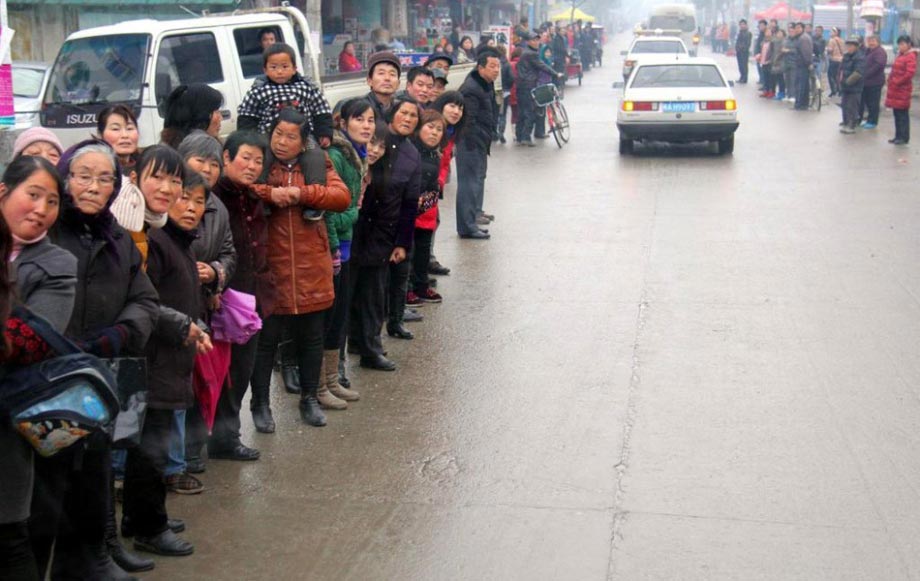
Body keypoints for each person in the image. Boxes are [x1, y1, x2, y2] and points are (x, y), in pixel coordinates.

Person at [38, 140, 158, 577]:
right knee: (50, 479)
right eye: (83, 175)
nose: (93, 186)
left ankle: (93, 555)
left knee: (96, 465)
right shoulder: (45, 232)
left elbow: (144, 298)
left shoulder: (118, 239)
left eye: (104, 178)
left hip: (102, 373)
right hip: (47, 377)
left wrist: (118, 334)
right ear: (65, 180)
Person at [248, 108, 350, 427]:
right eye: (278, 133)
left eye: (291, 136)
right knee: (266, 341)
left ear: (302, 140)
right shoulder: (262, 161)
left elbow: (341, 197)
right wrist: (270, 193)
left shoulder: (317, 162)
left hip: (311, 266)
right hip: (272, 266)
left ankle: (309, 399)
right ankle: (260, 404)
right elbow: (242, 186)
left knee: (311, 338)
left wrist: (301, 193)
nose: (282, 142)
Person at [0, 155, 74, 581]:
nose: (42, 210)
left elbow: (30, 344)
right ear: (4, 192)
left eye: (52, 201)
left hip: (7, 425)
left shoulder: (57, 265)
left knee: (10, 541)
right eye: (34, 195)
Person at [177, 131, 244, 477]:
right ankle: (182, 455)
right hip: (175, 309)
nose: (207, 169)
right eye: (199, 160)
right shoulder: (168, 201)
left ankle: (201, 446)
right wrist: (190, 271)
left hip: (205, 306)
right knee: (181, 384)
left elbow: (229, 253)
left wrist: (215, 272)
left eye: (214, 163)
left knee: (208, 379)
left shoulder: (217, 207)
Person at [210, 131, 274, 453]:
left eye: (258, 161)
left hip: (252, 300)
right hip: (223, 299)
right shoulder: (213, 197)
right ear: (226, 158)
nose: (251, 166)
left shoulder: (252, 196)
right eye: (245, 158)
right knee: (224, 374)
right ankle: (221, 438)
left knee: (242, 370)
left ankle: (226, 436)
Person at [349, 97, 421, 370]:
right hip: (353, 232)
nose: (408, 118)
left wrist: (402, 242)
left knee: (373, 296)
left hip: (382, 234)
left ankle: (371, 348)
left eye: (413, 116)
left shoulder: (410, 154)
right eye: (403, 112)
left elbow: (409, 203)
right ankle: (351, 345)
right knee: (348, 295)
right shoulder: (363, 148)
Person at [323, 98, 373, 406]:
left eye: (370, 120)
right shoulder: (337, 156)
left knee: (340, 316)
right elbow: (332, 209)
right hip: (333, 247)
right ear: (343, 122)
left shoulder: (358, 154)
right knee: (329, 319)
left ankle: (331, 380)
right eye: (360, 120)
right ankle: (319, 385)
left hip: (345, 244)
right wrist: (353, 215)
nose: (366, 125)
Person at [237, 43, 333, 147]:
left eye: (285, 66)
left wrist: (324, 133)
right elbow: (247, 117)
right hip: (268, 140)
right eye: (273, 67)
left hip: (304, 139)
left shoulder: (307, 87)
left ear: (294, 68)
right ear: (265, 70)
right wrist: (248, 141)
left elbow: (322, 111)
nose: (279, 71)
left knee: (316, 158)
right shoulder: (259, 90)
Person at [456, 49, 500, 240]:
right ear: (480, 68)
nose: (496, 70)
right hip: (470, 143)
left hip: (479, 142)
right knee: (469, 184)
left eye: (498, 66)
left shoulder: (485, 84)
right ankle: (467, 227)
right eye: (492, 66)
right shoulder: (472, 88)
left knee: (477, 180)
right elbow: (468, 121)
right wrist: (477, 140)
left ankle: (474, 216)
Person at [409, 109, 446, 306]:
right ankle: (407, 290)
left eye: (439, 129)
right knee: (409, 253)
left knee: (423, 252)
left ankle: (421, 286)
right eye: (430, 127)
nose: (434, 132)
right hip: (409, 213)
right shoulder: (411, 151)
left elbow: (435, 188)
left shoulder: (435, 155)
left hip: (426, 214)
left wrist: (427, 203)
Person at [96, 105, 146, 234]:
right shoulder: (96, 170)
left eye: (130, 128)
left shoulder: (146, 167)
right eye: (115, 129)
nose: (125, 135)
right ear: (100, 134)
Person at [515, 33, 561, 147]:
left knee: (522, 112)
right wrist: (555, 74)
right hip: (528, 85)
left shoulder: (525, 53)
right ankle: (525, 137)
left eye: (537, 40)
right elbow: (542, 66)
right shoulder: (531, 54)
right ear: (528, 42)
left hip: (521, 85)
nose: (536, 42)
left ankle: (520, 136)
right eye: (533, 40)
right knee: (530, 112)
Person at [161, 84, 225, 148]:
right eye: (216, 112)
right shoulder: (172, 155)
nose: (221, 118)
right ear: (201, 116)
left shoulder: (215, 148)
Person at [885, 35, 917, 145]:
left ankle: (903, 137)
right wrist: (890, 79)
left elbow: (909, 73)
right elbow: (894, 70)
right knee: (897, 114)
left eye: (903, 44)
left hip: (902, 89)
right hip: (895, 89)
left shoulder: (911, 56)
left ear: (909, 44)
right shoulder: (900, 55)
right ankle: (898, 136)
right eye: (899, 44)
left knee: (902, 115)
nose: (900, 46)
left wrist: (898, 81)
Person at [859, 35, 887, 129]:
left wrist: (866, 74)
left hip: (875, 81)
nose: (871, 43)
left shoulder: (880, 52)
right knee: (867, 102)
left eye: (873, 41)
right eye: (869, 41)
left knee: (873, 102)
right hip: (867, 82)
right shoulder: (868, 51)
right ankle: (868, 119)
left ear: (878, 42)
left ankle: (873, 121)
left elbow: (878, 65)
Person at [365, 51, 402, 121]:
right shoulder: (359, 108)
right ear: (369, 81)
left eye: (392, 74)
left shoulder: (401, 109)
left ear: (398, 84)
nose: (387, 78)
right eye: (381, 73)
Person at [839, 36, 866, 134]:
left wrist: (847, 82)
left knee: (852, 106)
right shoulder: (846, 56)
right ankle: (845, 122)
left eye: (851, 46)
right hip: (845, 86)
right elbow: (841, 69)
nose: (849, 48)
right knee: (844, 105)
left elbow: (858, 73)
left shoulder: (860, 57)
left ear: (856, 47)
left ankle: (851, 125)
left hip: (855, 87)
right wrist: (841, 80)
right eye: (848, 46)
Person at [792, 22, 813, 110]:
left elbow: (806, 53)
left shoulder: (803, 39)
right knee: (802, 85)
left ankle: (800, 104)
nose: (796, 29)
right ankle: (802, 104)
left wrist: (808, 64)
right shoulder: (800, 38)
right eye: (795, 28)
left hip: (803, 66)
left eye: (798, 28)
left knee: (801, 86)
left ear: (802, 28)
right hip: (801, 65)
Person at [826, 27, 845, 97]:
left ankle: (834, 90)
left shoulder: (832, 40)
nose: (830, 33)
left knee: (831, 75)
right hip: (841, 60)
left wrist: (827, 50)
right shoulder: (842, 40)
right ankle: (840, 90)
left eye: (831, 31)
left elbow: (830, 50)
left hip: (834, 60)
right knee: (838, 76)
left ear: (836, 33)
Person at [757, 27, 775, 97]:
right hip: (763, 61)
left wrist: (771, 60)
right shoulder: (764, 41)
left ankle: (771, 91)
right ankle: (766, 90)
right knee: (765, 77)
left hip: (770, 62)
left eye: (769, 32)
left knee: (770, 78)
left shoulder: (773, 41)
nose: (767, 33)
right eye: (766, 32)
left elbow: (774, 52)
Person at [754, 20, 768, 86]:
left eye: (762, 25)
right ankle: (761, 80)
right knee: (759, 67)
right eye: (760, 26)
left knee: (763, 69)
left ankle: (764, 82)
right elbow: (757, 44)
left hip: (764, 55)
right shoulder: (760, 34)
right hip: (759, 54)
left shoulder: (766, 34)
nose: (761, 27)